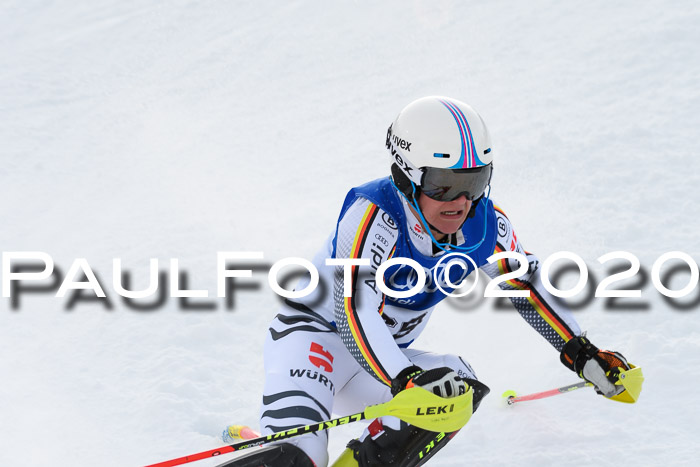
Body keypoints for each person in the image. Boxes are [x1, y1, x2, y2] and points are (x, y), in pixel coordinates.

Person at [220, 96, 638, 467]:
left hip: (380, 364)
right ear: (406, 175)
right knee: (296, 458)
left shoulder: (483, 225)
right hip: (313, 346)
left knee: (455, 390)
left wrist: (583, 353)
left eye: (474, 182)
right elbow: (353, 311)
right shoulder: (373, 215)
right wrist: (404, 380)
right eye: (443, 184)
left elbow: (525, 288)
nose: (460, 202)